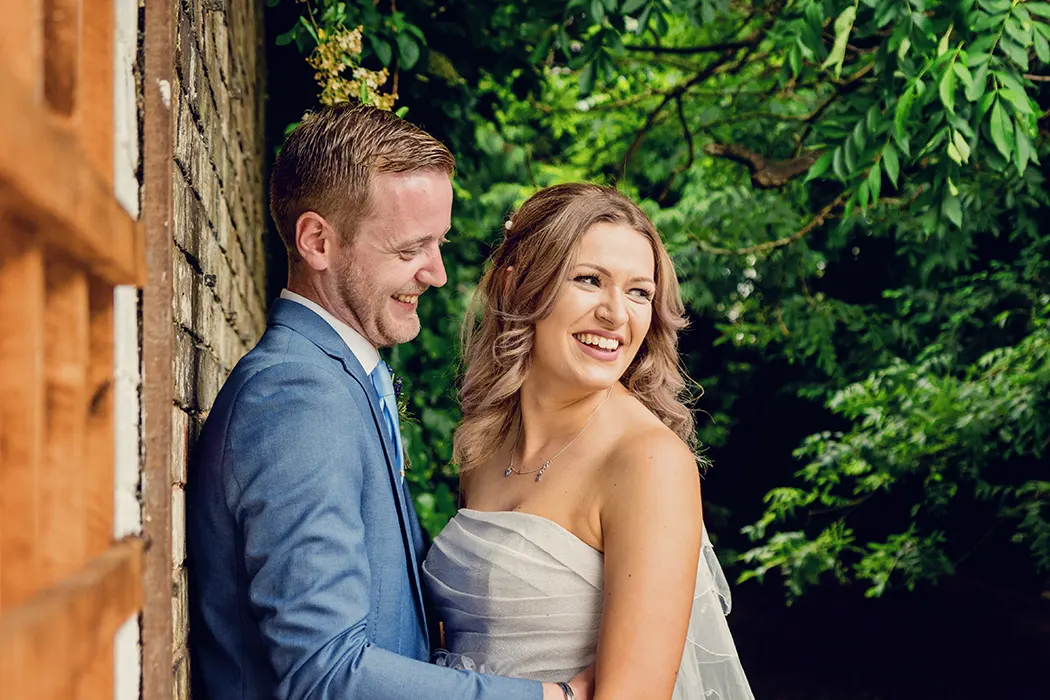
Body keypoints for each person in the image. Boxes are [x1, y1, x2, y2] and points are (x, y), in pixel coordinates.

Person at [187, 104, 592, 700]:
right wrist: (550, 698)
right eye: (411, 249)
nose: (438, 273)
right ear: (317, 241)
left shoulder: (339, 377)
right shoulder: (297, 401)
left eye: (440, 243)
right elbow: (325, 674)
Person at [422, 183, 755, 699]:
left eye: (639, 291)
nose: (616, 314)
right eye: (589, 280)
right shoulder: (486, 444)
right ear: (516, 288)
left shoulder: (647, 462)